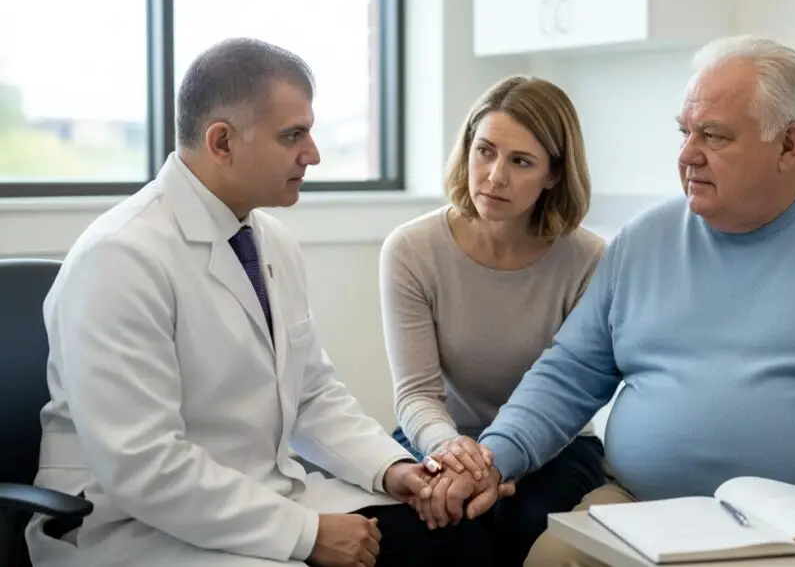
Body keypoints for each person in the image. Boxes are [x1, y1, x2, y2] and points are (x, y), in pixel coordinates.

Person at [431, 35, 795, 566]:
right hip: (649, 510)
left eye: (713, 136)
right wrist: (493, 458)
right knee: (552, 558)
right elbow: (568, 374)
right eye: (684, 132)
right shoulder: (644, 241)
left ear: (789, 145)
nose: (688, 154)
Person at [25, 38, 480, 567]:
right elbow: (143, 466)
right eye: (293, 136)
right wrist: (307, 535)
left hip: (257, 499)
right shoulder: (119, 258)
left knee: (449, 533)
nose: (313, 154)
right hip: (132, 525)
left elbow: (312, 395)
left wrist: (393, 469)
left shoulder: (271, 243)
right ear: (222, 142)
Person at [379, 74, 608, 566]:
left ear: (554, 174)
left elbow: (570, 392)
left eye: (520, 161)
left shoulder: (589, 259)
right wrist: (453, 452)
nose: (494, 176)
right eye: (484, 151)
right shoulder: (412, 249)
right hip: (439, 436)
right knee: (430, 528)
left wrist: (494, 463)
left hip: (554, 446)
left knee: (525, 524)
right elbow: (416, 393)